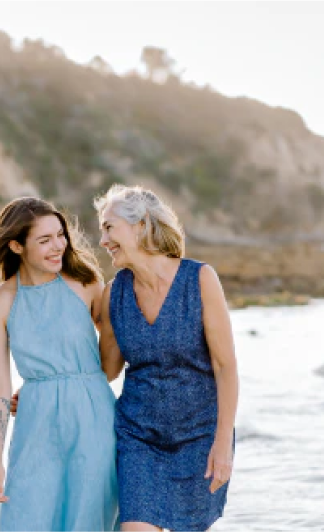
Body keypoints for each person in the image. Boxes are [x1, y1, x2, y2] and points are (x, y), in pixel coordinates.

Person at [0, 197, 119, 531]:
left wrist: (69, 386)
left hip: (94, 420)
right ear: (16, 246)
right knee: (28, 516)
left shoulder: (87, 285)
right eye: (44, 240)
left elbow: (112, 359)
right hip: (35, 426)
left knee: (89, 519)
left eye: (60, 235)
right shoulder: (1, 302)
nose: (58, 247)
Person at [95, 184, 239, 532]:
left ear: (140, 225)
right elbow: (106, 370)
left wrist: (222, 445)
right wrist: (49, 383)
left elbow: (225, 366)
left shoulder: (199, 279)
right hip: (138, 437)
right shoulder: (114, 293)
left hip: (199, 437)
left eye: (109, 227)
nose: (102, 240)